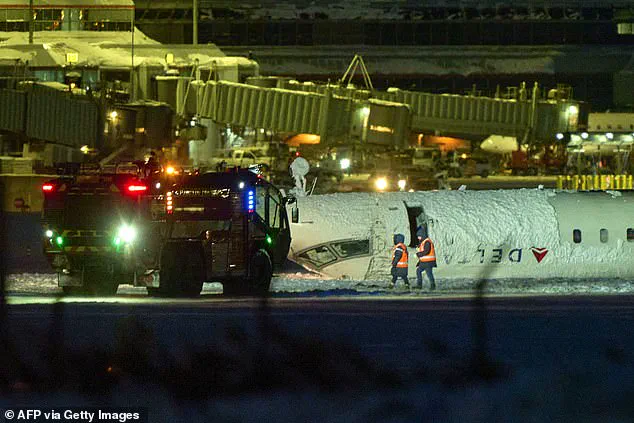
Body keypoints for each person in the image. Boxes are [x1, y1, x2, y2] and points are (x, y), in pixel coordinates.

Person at [415, 225, 437, 290]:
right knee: (418, 271)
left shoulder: (427, 242)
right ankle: (419, 285)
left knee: (429, 273)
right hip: (424, 262)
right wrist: (419, 262)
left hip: (429, 262)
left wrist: (418, 254)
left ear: (422, 235)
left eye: (419, 236)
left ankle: (432, 285)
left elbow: (426, 252)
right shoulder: (423, 242)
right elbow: (423, 253)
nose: (418, 238)